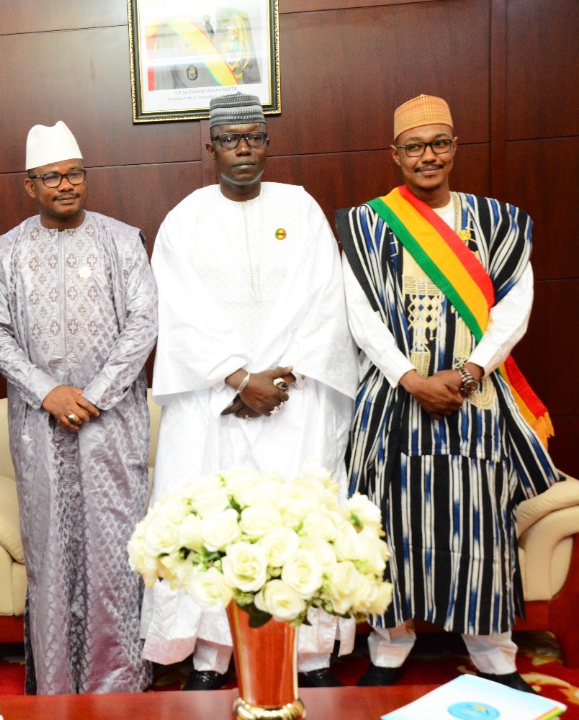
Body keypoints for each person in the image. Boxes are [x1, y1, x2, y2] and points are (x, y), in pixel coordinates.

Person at [337, 94, 558, 693]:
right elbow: (359, 315)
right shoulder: (367, 224)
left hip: (474, 400)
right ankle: (389, 649)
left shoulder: (498, 222)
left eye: (439, 143)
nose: (427, 156)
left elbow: (515, 308)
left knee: (480, 525)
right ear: (395, 154)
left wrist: (469, 372)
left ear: (455, 147)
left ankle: (495, 657)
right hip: (394, 401)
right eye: (414, 147)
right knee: (388, 526)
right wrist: (410, 378)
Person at [142, 91, 360, 690]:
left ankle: (308, 655)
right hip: (213, 403)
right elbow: (177, 310)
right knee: (210, 525)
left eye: (254, 137)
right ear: (210, 147)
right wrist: (238, 378)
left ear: (268, 143)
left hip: (295, 400)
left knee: (297, 522)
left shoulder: (301, 208)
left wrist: (279, 378)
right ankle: (211, 656)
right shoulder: (185, 218)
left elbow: (327, 302)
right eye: (230, 139)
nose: (244, 149)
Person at [0, 121, 158, 695]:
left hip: (112, 424)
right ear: (29, 185)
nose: (66, 185)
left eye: (75, 174)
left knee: (113, 555)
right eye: (52, 177)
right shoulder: (6, 251)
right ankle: (56, 686)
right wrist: (47, 392)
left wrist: (94, 395)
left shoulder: (121, 241)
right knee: (51, 557)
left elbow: (143, 324)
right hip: (38, 425)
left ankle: (118, 682)